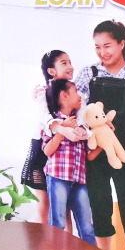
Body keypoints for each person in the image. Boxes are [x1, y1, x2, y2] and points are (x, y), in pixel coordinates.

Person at [74, 20, 125, 250]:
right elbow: (77, 110)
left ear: (121, 44)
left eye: (107, 46)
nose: (102, 52)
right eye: (97, 47)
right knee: (99, 204)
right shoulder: (89, 72)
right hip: (96, 149)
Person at [25, 51, 84, 228]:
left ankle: (66, 244)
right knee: (44, 203)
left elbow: (82, 116)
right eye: (64, 63)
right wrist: (63, 129)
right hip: (43, 148)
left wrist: (77, 130)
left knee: (64, 203)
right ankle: (45, 244)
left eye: (70, 62)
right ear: (52, 71)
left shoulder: (74, 92)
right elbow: (44, 116)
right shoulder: (42, 92)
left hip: (65, 152)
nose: (70, 66)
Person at [40, 79, 95, 245]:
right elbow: (48, 150)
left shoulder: (82, 123)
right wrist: (62, 131)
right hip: (58, 177)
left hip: (80, 180)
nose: (80, 96)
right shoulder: (53, 123)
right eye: (76, 91)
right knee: (58, 222)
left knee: (87, 227)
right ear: (64, 95)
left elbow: (89, 154)